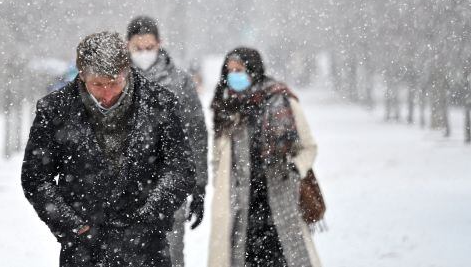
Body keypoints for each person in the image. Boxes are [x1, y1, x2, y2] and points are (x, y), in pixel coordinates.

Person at [21, 31, 195, 267]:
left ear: (127, 71)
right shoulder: (55, 110)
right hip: (84, 250)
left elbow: (180, 170)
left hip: (146, 248)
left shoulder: (160, 104)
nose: (107, 94)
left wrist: (149, 217)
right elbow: (36, 179)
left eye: (114, 83)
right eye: (98, 85)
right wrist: (74, 226)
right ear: (82, 76)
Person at [208, 48, 321, 267]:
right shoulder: (225, 106)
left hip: (278, 204)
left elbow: (309, 147)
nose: (234, 76)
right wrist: (221, 184)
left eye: (239, 70)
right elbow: (217, 156)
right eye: (230, 71)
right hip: (239, 209)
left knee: (285, 258)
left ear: (253, 70)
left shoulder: (280, 100)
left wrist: (295, 170)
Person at [126, 15, 209, 267]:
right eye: (138, 48)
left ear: (159, 43)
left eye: (149, 47)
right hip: (124, 186)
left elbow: (196, 133)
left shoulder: (180, 81)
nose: (144, 53)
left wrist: (199, 185)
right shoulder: (117, 81)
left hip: (170, 182)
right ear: (127, 45)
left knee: (170, 253)